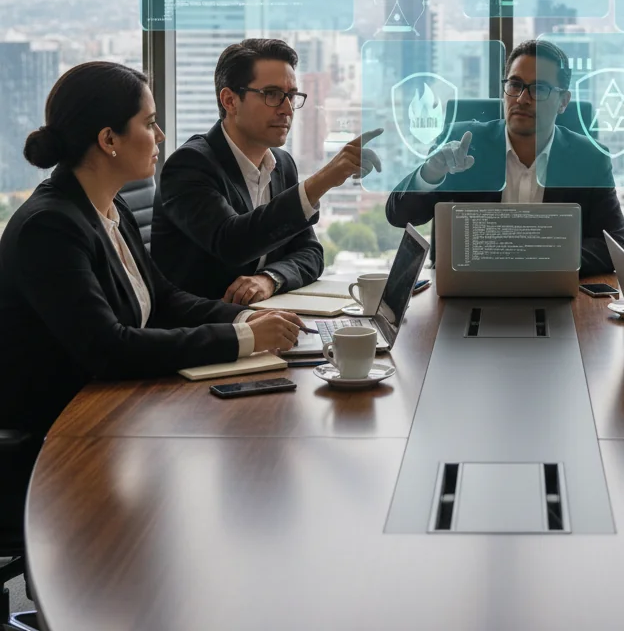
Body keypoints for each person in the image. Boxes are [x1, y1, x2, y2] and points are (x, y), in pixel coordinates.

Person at [0, 61, 307, 458]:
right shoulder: (50, 227)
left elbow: (163, 298)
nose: (160, 135)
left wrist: (246, 319)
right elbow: (108, 348)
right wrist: (244, 339)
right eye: (149, 124)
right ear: (109, 139)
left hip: (115, 405)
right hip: (59, 433)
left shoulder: (111, 207)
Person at [151, 39, 382, 304]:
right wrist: (323, 179)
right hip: (203, 331)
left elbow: (310, 253)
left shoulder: (282, 164)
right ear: (229, 100)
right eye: (271, 94)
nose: (286, 109)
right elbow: (233, 243)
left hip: (264, 319)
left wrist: (270, 278)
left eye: (291, 95)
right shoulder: (189, 165)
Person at [385, 40, 624, 277]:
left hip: (553, 292)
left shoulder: (590, 159)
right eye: (515, 85)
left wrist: (536, 256)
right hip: (469, 290)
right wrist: (431, 172)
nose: (522, 98)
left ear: (563, 102)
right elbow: (398, 216)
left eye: (539, 89)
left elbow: (615, 248)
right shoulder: (462, 145)